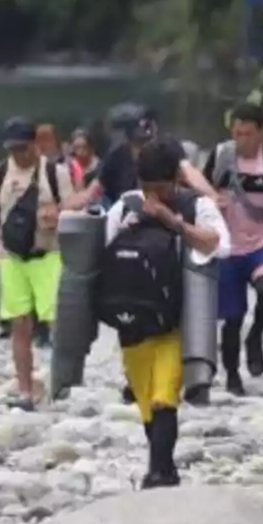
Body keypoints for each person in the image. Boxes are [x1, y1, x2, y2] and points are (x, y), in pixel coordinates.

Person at [100, 142, 230, 487]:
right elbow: (101, 252)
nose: (152, 195)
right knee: (146, 402)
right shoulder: (125, 205)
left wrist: (174, 223)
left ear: (175, 179)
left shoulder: (196, 205)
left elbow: (219, 244)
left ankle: (159, 470)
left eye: (160, 188)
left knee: (164, 397)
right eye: (147, 188)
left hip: (175, 322)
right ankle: (164, 466)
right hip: (133, 322)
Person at [0, 118, 75, 410]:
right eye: (12, 149)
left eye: (22, 148)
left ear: (35, 145)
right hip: (12, 258)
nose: (18, 154)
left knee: (57, 322)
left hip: (48, 255)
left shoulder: (55, 173)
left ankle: (62, 383)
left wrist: (58, 213)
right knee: (20, 324)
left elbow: (74, 207)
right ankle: (26, 389)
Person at [200, 102, 263, 399]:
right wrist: (212, 199)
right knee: (232, 316)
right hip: (227, 247)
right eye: (237, 133)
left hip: (260, 244)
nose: (241, 140)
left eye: (248, 133)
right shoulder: (220, 157)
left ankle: (256, 336)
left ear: (260, 133)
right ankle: (232, 374)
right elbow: (198, 190)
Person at [67, 110, 217, 210]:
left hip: (167, 214)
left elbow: (190, 173)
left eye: (148, 142)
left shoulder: (168, 147)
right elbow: (92, 192)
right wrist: (65, 208)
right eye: (139, 144)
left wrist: (212, 196)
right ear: (130, 141)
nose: (144, 148)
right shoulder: (117, 156)